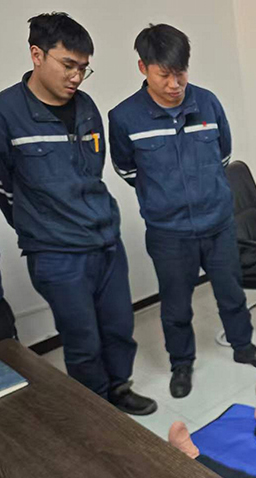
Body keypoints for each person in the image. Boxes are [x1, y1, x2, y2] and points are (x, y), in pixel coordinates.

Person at [108, 24, 256, 400]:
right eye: (164, 75)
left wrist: (203, 192)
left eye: (181, 73)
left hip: (218, 223)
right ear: (143, 68)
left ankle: (243, 346)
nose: (174, 84)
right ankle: (181, 364)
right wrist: (164, 196)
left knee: (231, 292)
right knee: (175, 306)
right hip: (168, 232)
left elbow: (223, 155)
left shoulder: (208, 103)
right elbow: (126, 169)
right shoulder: (124, 117)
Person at [0, 13, 155, 414]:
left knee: (119, 327)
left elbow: (92, 173)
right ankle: (97, 413)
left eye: (84, 68)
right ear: (37, 55)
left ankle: (119, 387)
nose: (76, 77)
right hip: (56, 253)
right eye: (68, 65)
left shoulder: (86, 107)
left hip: (105, 241)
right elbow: (5, 190)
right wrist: (42, 227)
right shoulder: (6, 112)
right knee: (83, 340)